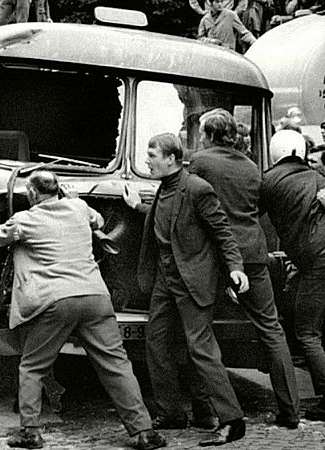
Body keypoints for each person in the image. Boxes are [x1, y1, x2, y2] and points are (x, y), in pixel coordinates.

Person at [0, 171, 166, 450]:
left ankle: (30, 433)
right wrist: (74, 200)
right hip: (95, 297)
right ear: (58, 190)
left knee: (32, 367)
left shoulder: (25, 220)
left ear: (32, 194)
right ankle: (143, 431)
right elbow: (100, 220)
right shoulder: (79, 208)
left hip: (54, 302)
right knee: (116, 366)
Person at [123, 133, 249, 446]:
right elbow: (163, 216)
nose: (147, 161)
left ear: (171, 158)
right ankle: (171, 413)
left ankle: (232, 420)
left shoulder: (197, 188)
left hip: (193, 281)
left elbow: (222, 233)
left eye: (152, 155)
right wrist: (138, 206)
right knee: (157, 343)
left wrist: (236, 268)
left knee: (201, 350)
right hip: (165, 282)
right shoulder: (163, 188)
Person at [188, 109, 300, 429]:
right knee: (270, 328)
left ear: (208, 135)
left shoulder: (201, 162)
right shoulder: (252, 167)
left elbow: (190, 203)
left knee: (201, 329)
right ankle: (290, 410)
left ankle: (205, 409)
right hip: (253, 252)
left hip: (213, 255)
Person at [260, 130, 325, 422]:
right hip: (317, 261)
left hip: (317, 262)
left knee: (307, 333)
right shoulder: (317, 178)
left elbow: (249, 215)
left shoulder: (269, 181)